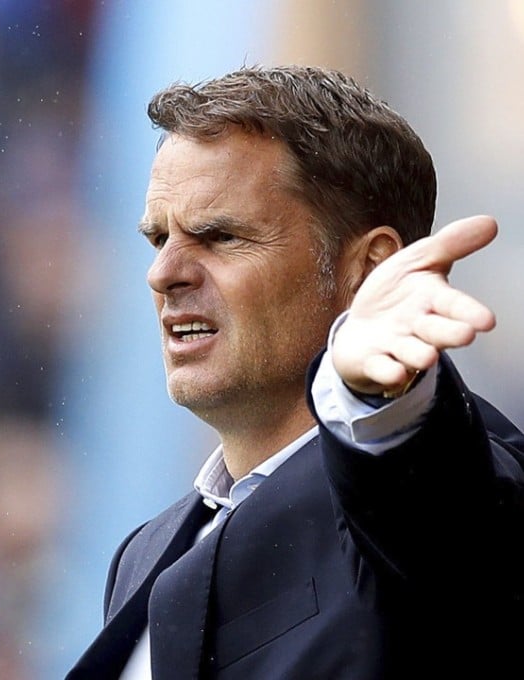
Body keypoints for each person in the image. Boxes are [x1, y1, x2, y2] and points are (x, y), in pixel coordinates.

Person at [67, 65, 524, 679]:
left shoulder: (434, 487)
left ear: (368, 269)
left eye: (220, 236)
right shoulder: (143, 552)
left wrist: (375, 394)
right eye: (157, 239)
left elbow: (440, 509)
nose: (165, 273)